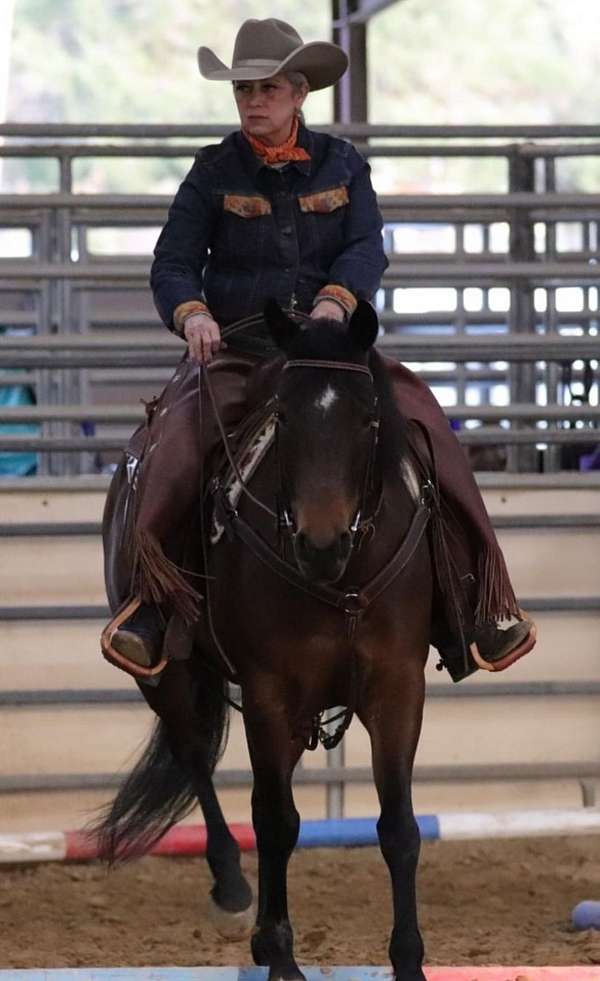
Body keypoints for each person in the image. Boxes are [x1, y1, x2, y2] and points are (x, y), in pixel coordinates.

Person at [103, 17, 535, 682]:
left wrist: (338, 298)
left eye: (267, 87)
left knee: (427, 425)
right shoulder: (214, 170)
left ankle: (476, 598)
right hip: (243, 349)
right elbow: (173, 262)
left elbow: (366, 247)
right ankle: (151, 606)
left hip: (333, 351)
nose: (253, 100)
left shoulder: (343, 164)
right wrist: (190, 314)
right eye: (244, 89)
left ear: (298, 92)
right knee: (177, 442)